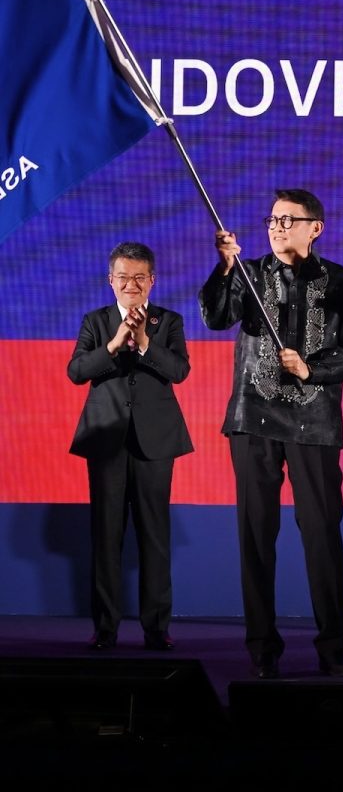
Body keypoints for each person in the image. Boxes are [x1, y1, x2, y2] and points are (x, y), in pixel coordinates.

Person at [199, 188, 343, 679]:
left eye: (287, 220)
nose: (275, 228)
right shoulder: (249, 274)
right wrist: (226, 268)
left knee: (321, 535)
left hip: (313, 423)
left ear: (315, 227)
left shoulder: (339, 281)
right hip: (252, 419)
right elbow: (215, 316)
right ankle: (262, 649)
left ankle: (334, 648)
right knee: (256, 536)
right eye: (272, 220)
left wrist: (312, 370)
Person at [68, 241, 193, 651]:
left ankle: (157, 628)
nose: (131, 284)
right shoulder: (96, 321)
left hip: (154, 441)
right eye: (123, 277)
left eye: (140, 277)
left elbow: (178, 370)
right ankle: (105, 628)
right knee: (106, 537)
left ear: (152, 280)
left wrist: (142, 342)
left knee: (154, 536)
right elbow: (76, 371)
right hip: (106, 439)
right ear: (111, 281)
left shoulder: (168, 322)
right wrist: (113, 343)